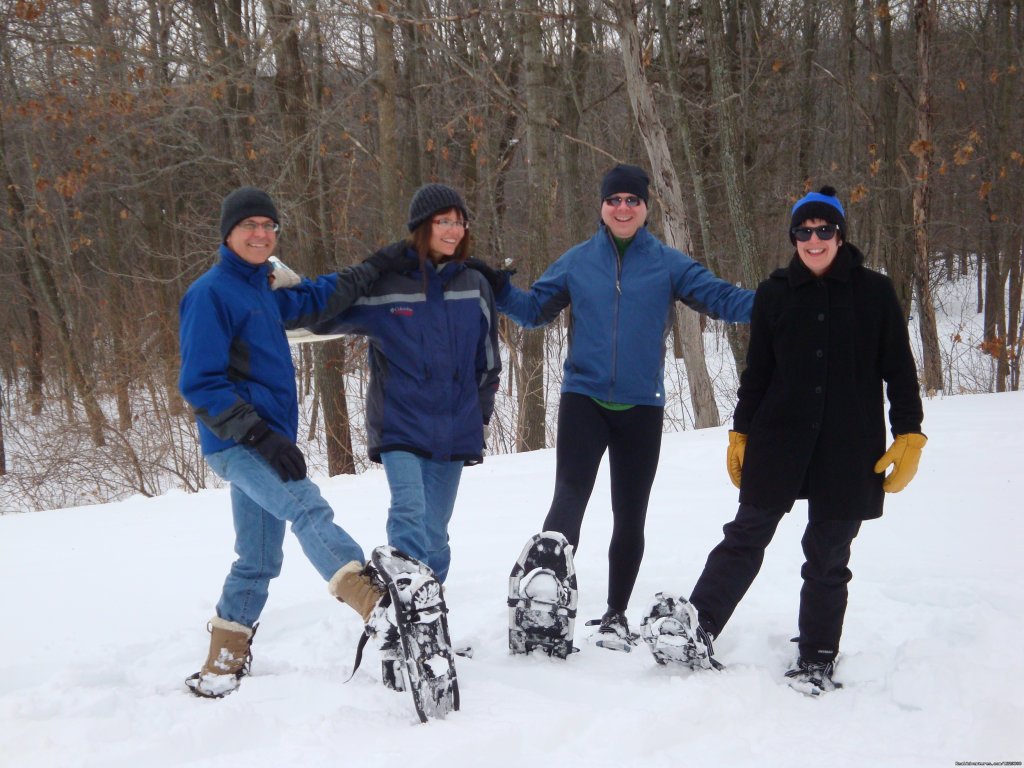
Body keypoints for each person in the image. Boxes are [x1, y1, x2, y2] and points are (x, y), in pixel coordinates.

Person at [468, 164, 753, 647]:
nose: (623, 208)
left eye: (632, 200)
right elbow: (535, 310)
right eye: (614, 200)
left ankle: (616, 614)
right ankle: (545, 605)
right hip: (584, 398)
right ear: (602, 207)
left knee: (630, 513)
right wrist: (496, 288)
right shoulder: (579, 261)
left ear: (646, 208)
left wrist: (778, 302)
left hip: (642, 405)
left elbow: (718, 297)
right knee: (569, 500)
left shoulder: (667, 263)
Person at [677, 185, 926, 694]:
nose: (814, 240)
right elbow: (759, 371)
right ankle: (696, 628)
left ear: (840, 234)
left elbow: (899, 370)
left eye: (824, 230)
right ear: (793, 237)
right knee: (746, 535)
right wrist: (741, 429)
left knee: (828, 554)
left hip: (849, 446)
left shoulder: (875, 292)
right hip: (779, 437)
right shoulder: (774, 293)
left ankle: (817, 655)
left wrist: (910, 432)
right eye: (804, 232)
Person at [178, 186, 408, 698]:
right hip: (239, 442)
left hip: (265, 439)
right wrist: (258, 434)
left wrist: (375, 266)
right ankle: (377, 605)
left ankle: (223, 660)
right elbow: (201, 383)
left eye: (269, 226)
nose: (261, 234)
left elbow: (317, 297)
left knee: (257, 558)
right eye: (249, 226)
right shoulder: (210, 294)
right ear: (228, 234)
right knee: (307, 507)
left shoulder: (262, 288)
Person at [308, 183, 501, 584]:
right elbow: (321, 314)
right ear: (421, 227)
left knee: (435, 533)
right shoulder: (388, 286)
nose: (453, 230)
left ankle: (432, 614)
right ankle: (405, 614)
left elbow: (488, 360)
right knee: (409, 514)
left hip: (456, 427)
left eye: (459, 222)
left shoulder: (475, 285)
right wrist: (372, 267)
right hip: (401, 424)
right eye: (442, 221)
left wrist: (478, 413)